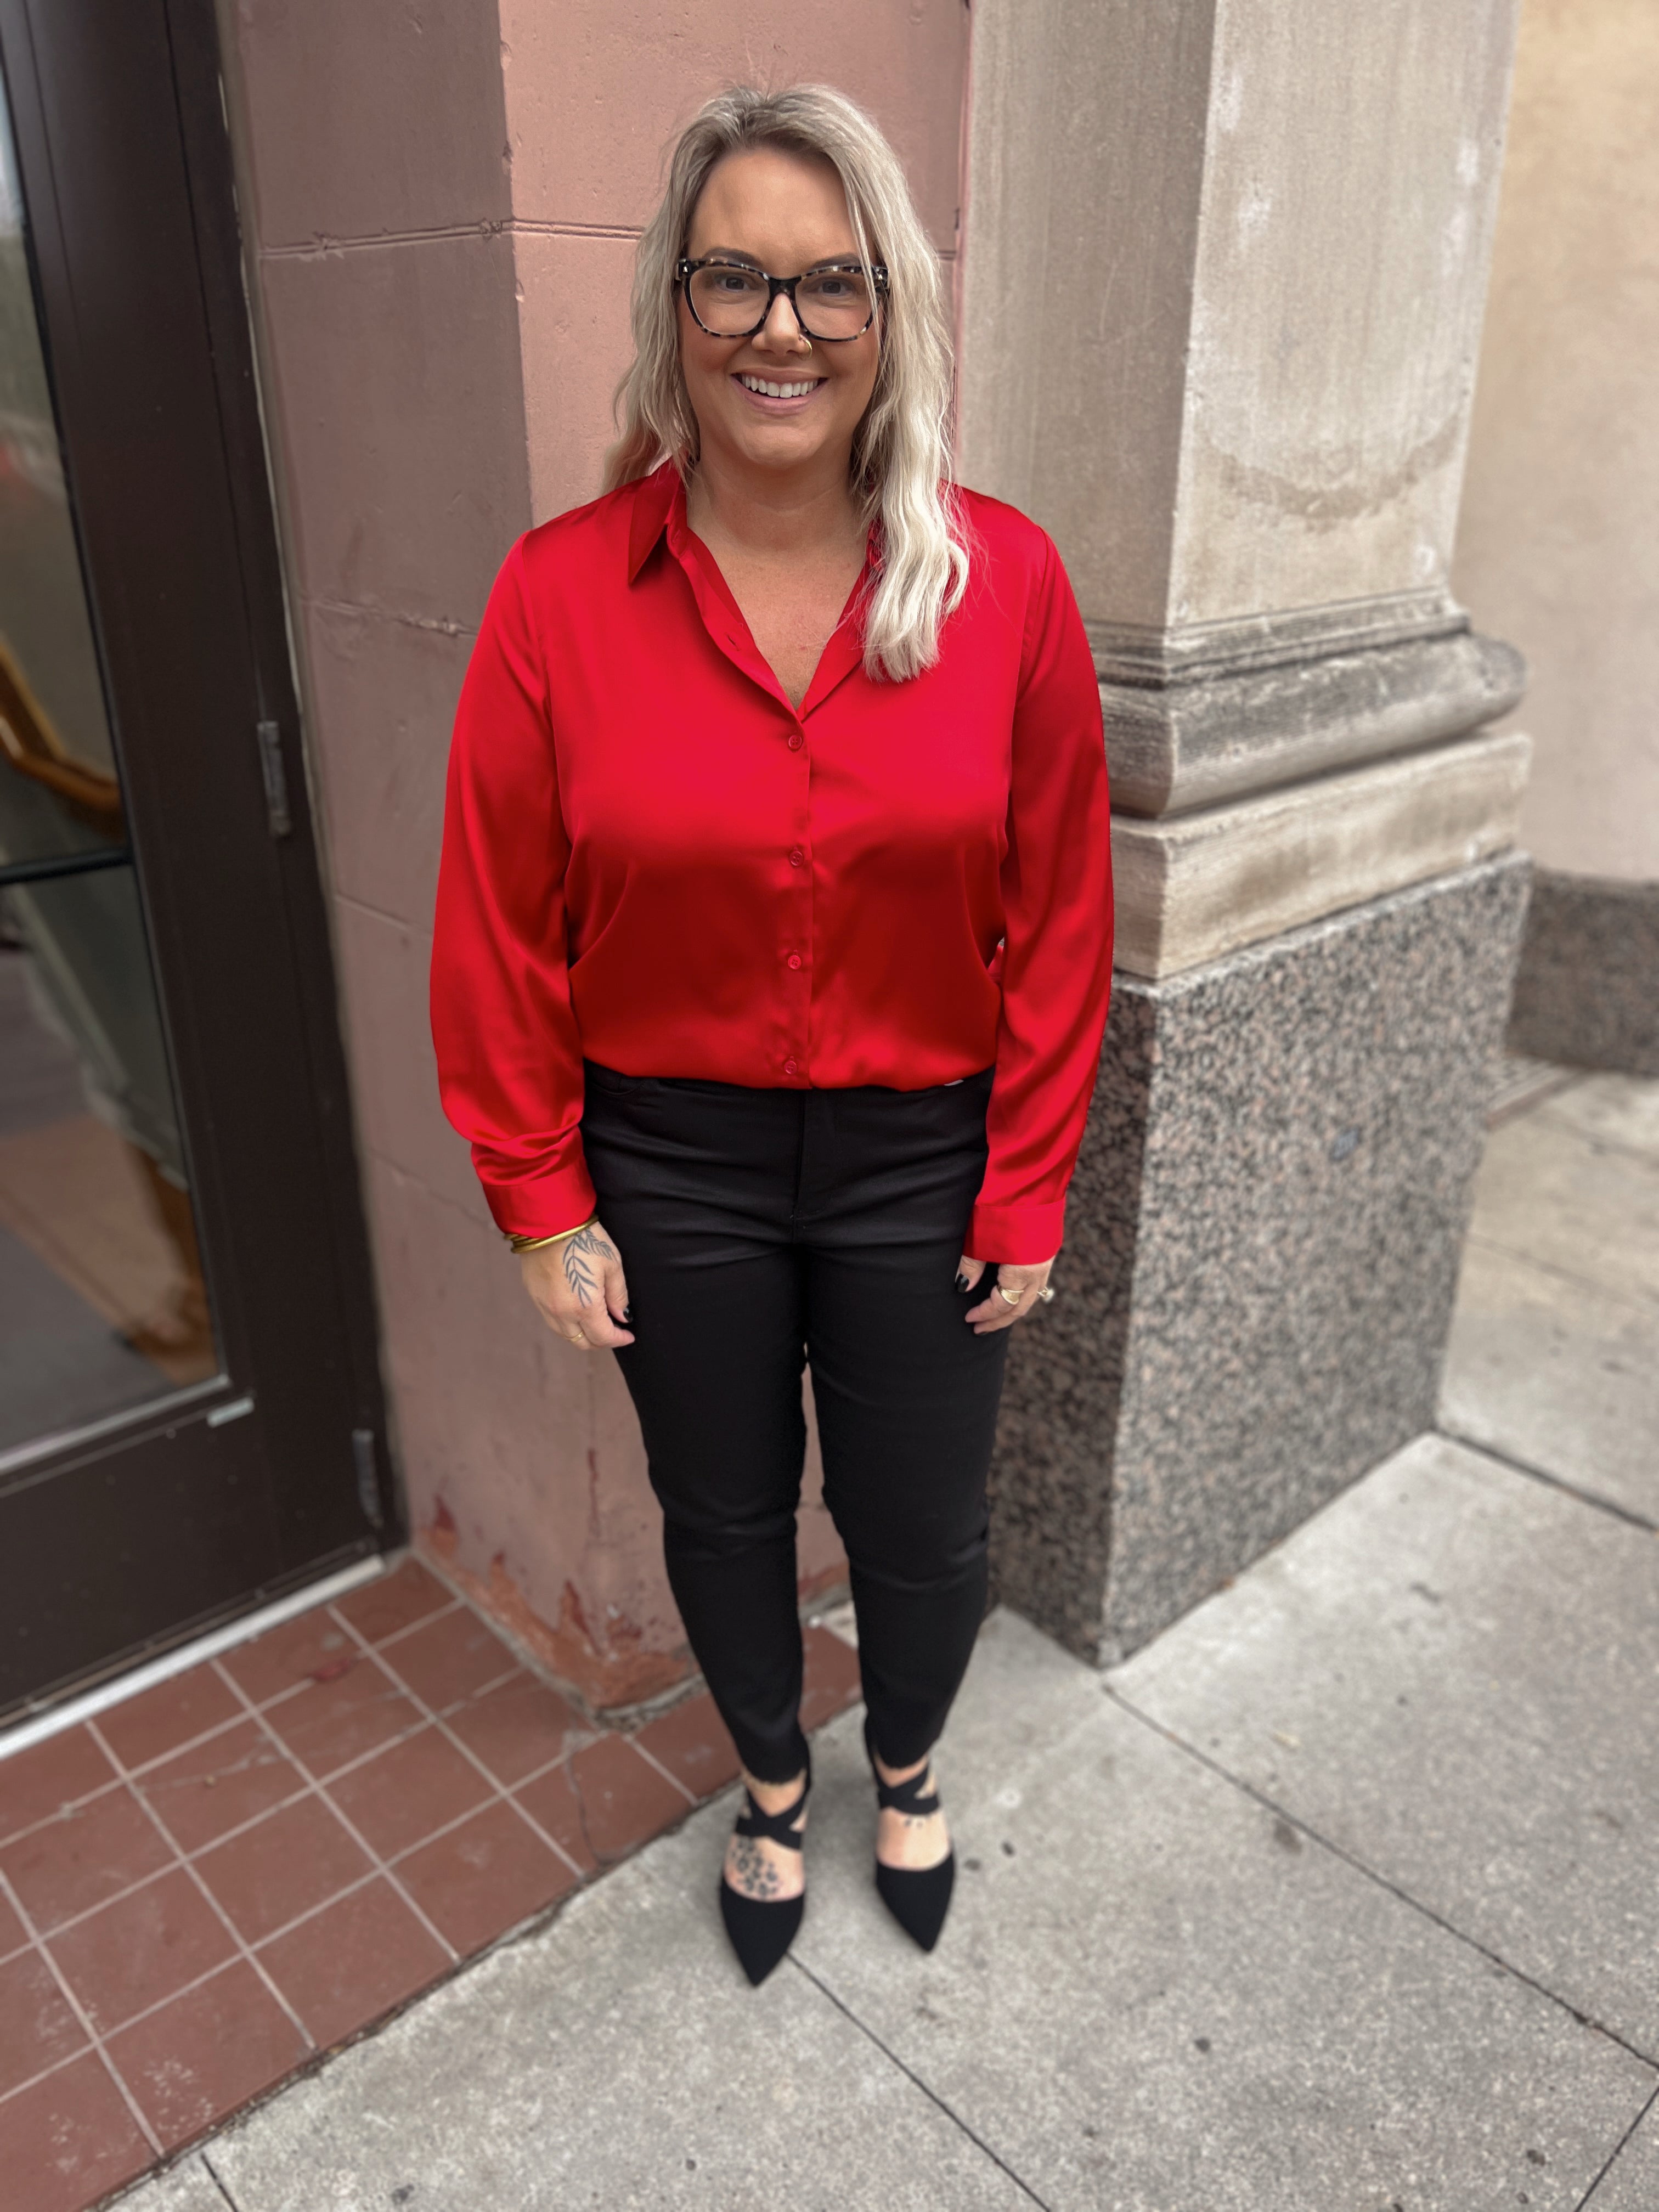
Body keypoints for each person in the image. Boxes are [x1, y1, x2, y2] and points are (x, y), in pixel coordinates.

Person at [430, 83, 1113, 1985]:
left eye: (831, 284)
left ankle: (901, 1768)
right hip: (672, 1164)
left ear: (892, 315)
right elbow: (497, 920)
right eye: (733, 278)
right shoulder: (560, 599)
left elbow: (1061, 913)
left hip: (928, 1159)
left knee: (926, 1524)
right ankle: (769, 1789)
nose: (781, 329)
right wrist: (542, 1196)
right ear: (672, 310)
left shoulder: (1006, 584)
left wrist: (1031, 1179)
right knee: (717, 1508)